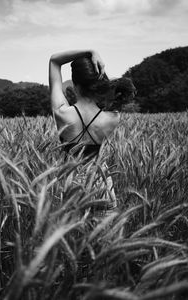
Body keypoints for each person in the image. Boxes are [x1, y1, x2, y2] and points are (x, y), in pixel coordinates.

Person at [49, 50, 133, 216]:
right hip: (102, 187)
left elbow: (54, 61)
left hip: (71, 186)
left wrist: (90, 51)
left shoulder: (61, 113)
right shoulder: (113, 117)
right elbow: (114, 92)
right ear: (98, 84)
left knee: (74, 242)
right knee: (103, 241)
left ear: (75, 86)